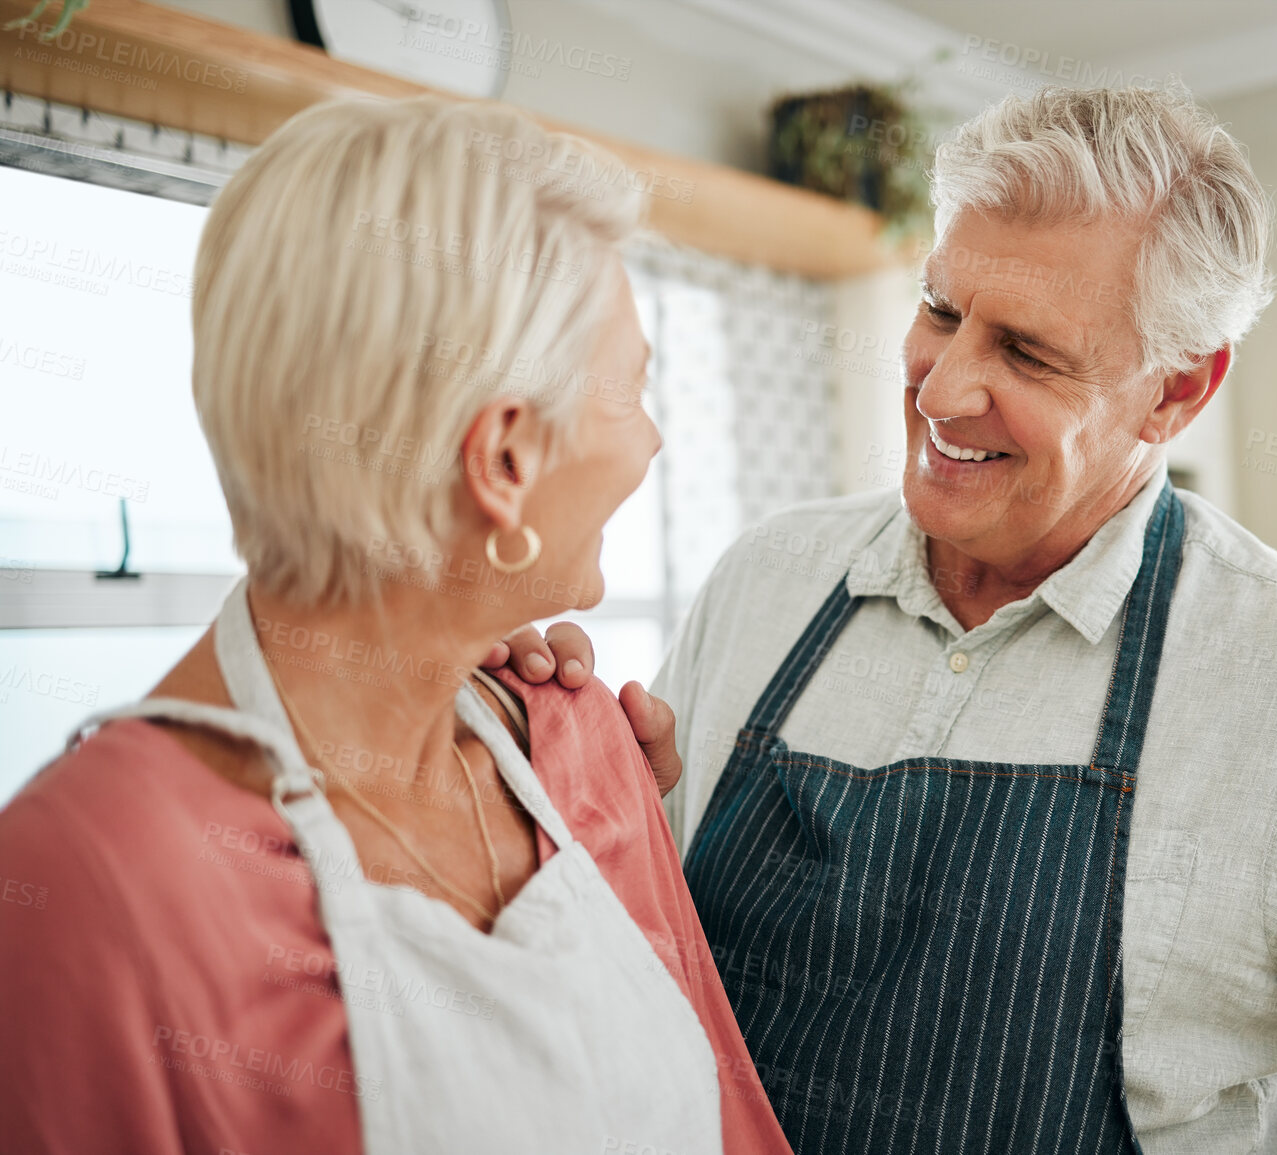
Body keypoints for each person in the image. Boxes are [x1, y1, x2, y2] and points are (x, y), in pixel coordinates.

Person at [493, 85, 1277, 1153]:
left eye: (1025, 352)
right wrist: (557, 802)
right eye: (939, 311)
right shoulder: (765, 579)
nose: (939, 389)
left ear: (1177, 392)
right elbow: (646, 983)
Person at [0, 96, 790, 1155]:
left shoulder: (581, 746)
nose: (648, 444)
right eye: (630, 392)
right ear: (504, 462)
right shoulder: (87, 885)